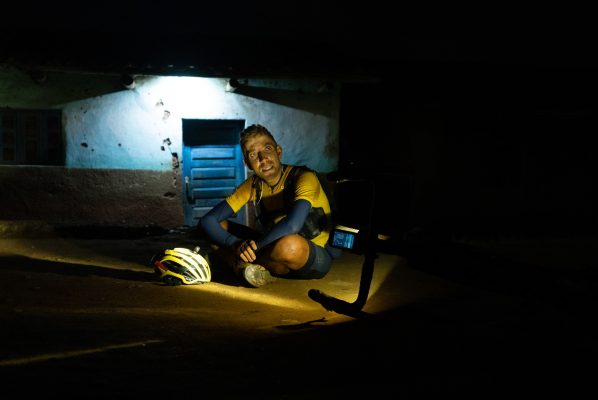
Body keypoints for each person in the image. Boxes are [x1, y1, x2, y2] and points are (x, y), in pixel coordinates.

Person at [197, 124, 340, 288]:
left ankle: (239, 265)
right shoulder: (253, 185)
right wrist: (235, 244)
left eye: (267, 148)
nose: (263, 158)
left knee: (288, 245)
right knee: (218, 226)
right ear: (247, 164)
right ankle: (255, 269)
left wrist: (254, 247)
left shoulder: (304, 177)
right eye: (253, 154)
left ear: (278, 152)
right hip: (268, 247)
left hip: (312, 254)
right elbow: (207, 221)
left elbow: (293, 225)